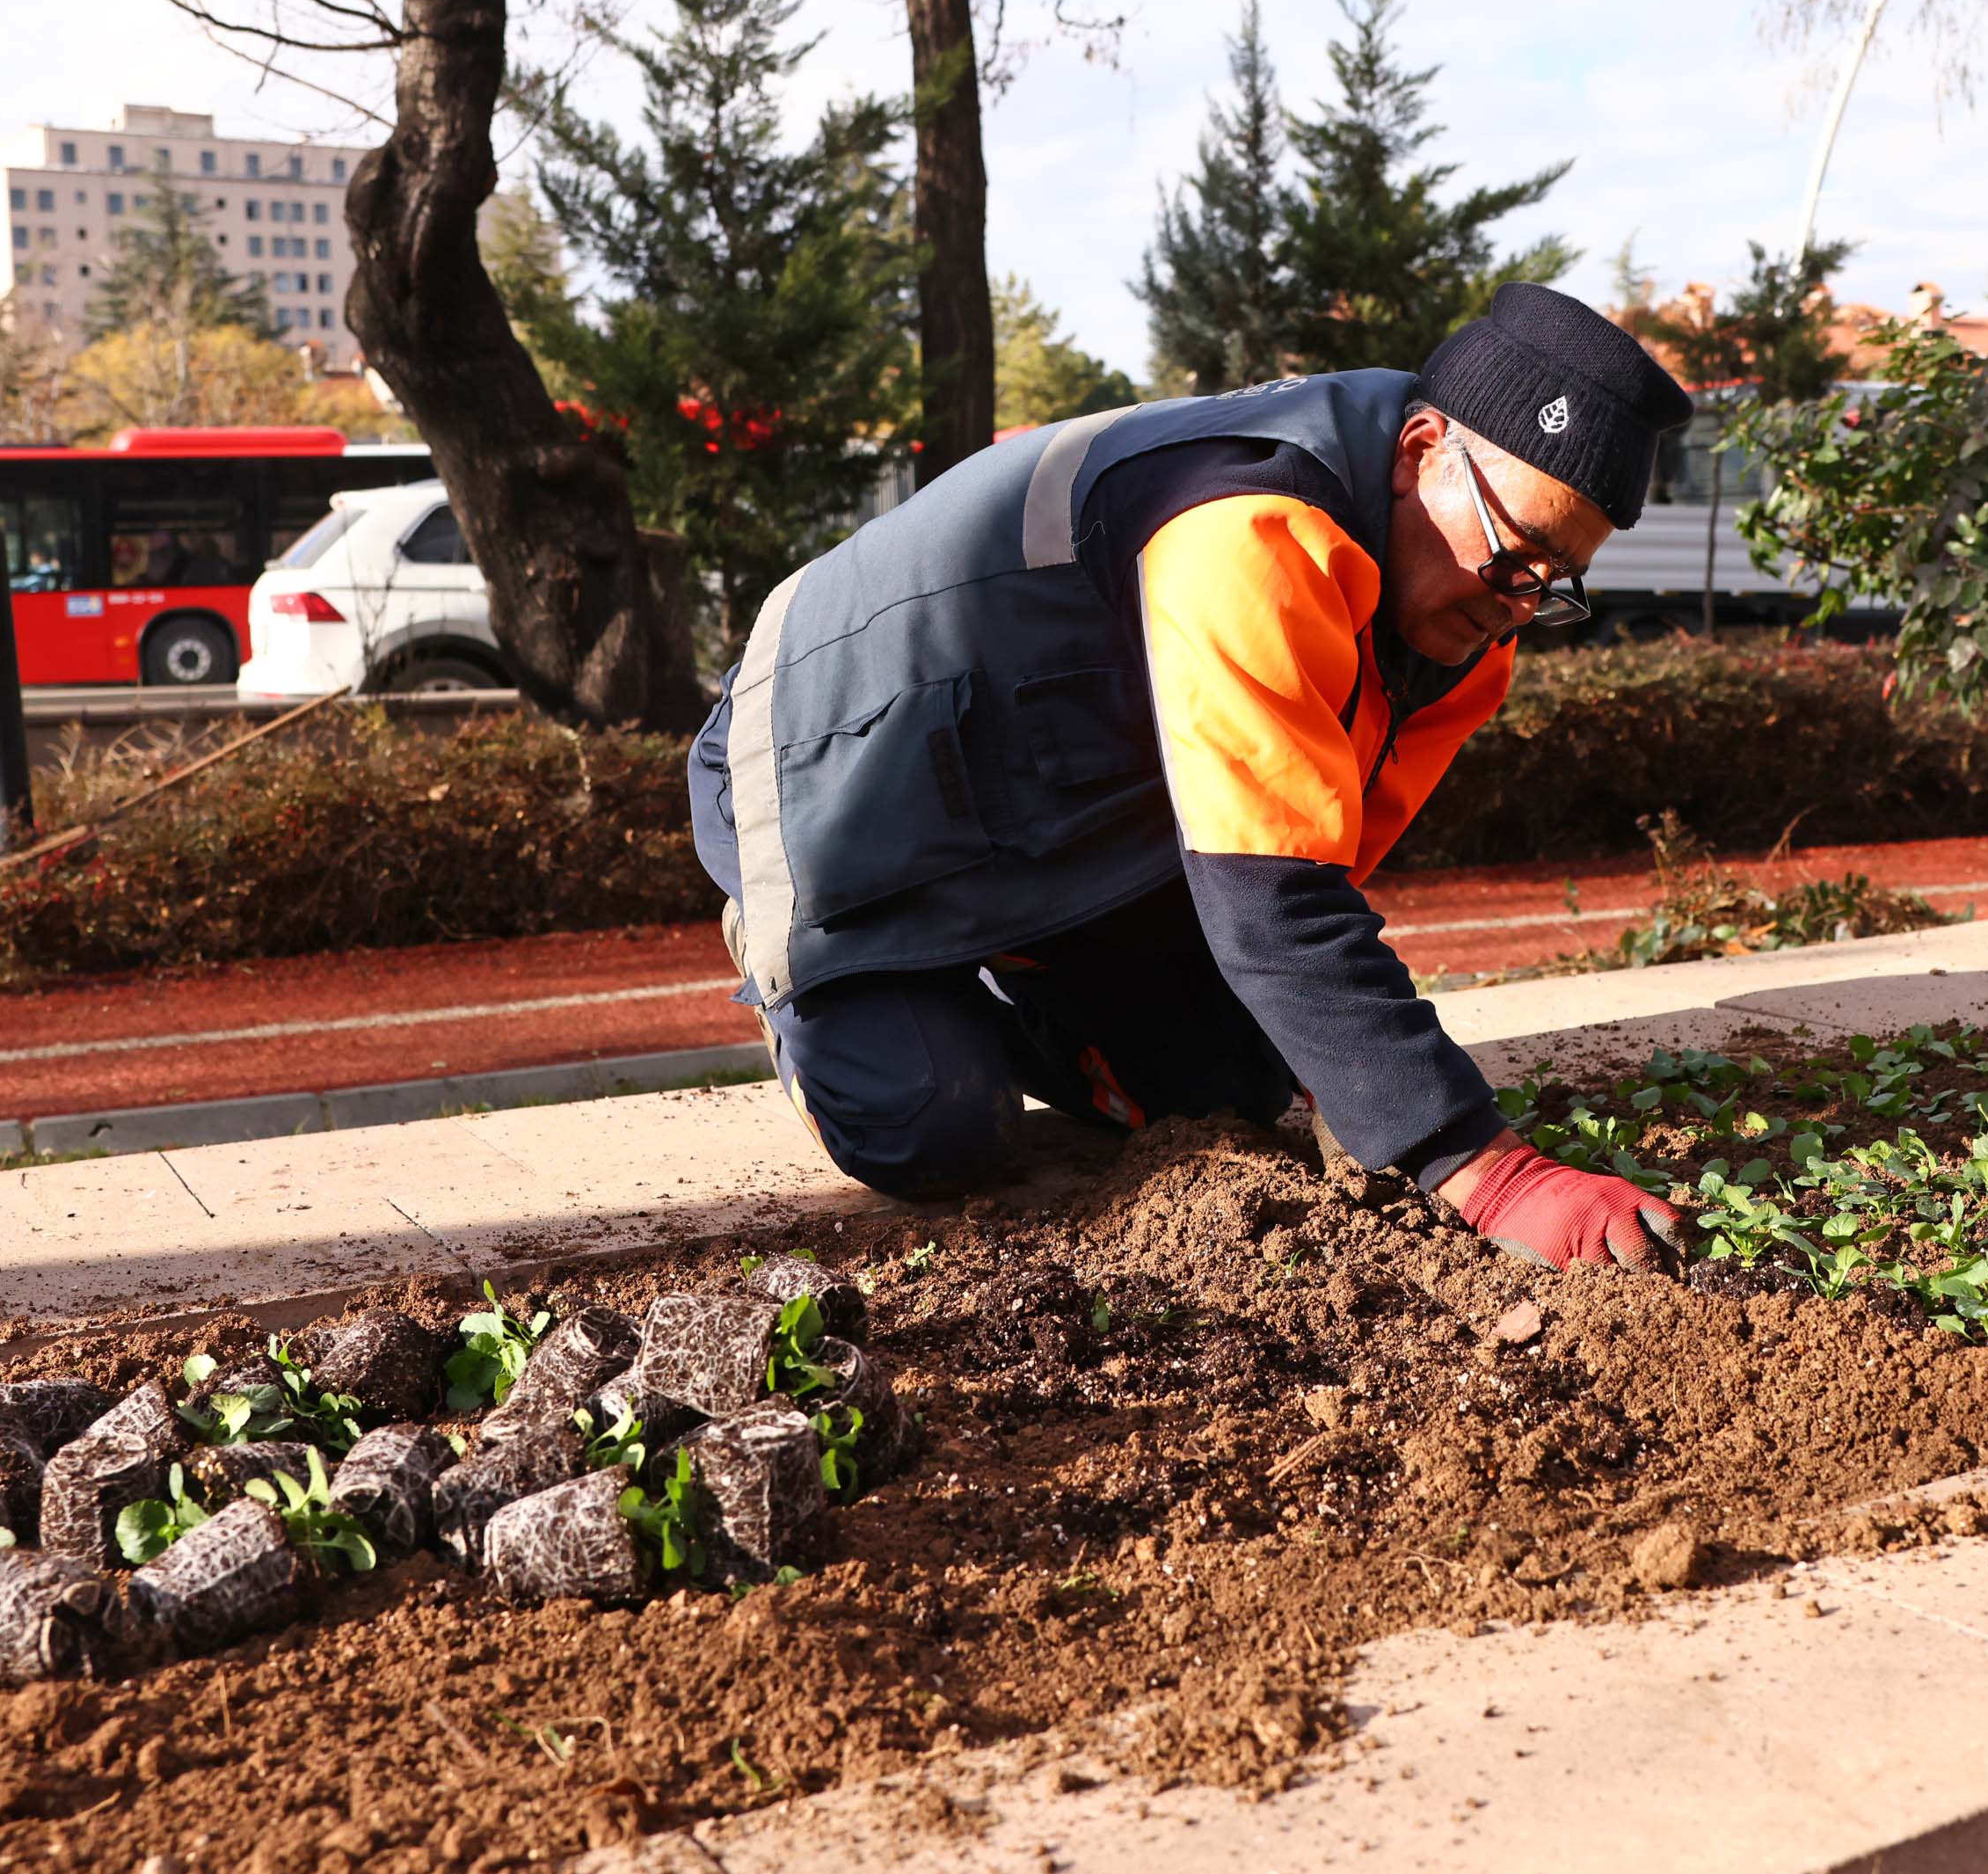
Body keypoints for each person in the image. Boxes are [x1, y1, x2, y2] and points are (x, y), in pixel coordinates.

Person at [689, 282, 1691, 1271]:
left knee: (1236, 1089)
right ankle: (814, 961)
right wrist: (1484, 1169)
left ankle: (1020, 961)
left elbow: (1306, 872)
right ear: (1424, 449)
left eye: (1558, 582)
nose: (1522, 604)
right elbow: (1274, 903)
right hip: (832, 764)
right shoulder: (1251, 522)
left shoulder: (1463, 635)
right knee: (931, 1126)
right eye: (1518, 555)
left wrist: (1360, 1082)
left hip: (1046, 801)